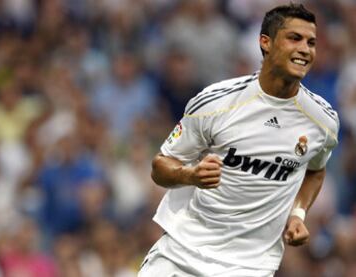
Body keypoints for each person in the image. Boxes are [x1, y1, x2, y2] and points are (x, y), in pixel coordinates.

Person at [138, 3, 339, 277]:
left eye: (311, 42)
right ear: (265, 42)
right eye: (295, 38)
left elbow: (316, 169)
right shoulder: (217, 102)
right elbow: (160, 167)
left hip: (250, 267)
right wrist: (190, 175)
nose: (305, 49)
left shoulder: (322, 121)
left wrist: (298, 214)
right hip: (181, 253)